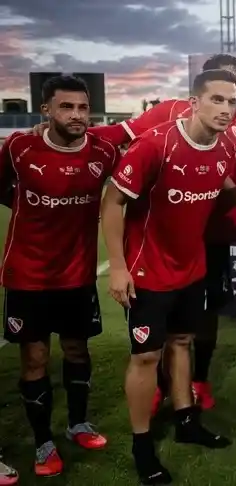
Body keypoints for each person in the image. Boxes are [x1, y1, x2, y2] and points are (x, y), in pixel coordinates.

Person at [45, 54, 236, 413]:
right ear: (198, 92)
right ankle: (155, 400)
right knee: (153, 345)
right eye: (218, 93)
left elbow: (228, 176)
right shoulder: (163, 124)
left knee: (192, 329)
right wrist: (66, 132)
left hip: (207, 244)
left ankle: (194, 394)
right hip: (156, 252)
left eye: (233, 92)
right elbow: (120, 146)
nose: (226, 103)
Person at [101, 69, 236, 485]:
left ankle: (186, 421)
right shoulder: (155, 145)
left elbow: (218, 176)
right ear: (194, 102)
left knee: (183, 342)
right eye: (217, 100)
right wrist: (118, 266)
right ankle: (142, 445)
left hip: (192, 268)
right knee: (146, 357)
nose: (226, 109)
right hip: (148, 270)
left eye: (232, 101)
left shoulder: (224, 146)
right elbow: (113, 201)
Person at [0, 75, 115, 477]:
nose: (77, 115)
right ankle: (43, 442)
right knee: (34, 359)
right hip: (28, 276)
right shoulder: (19, 147)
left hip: (78, 275)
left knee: (77, 351)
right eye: (66, 107)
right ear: (46, 110)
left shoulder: (103, 151)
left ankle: (78, 423)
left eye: (83, 107)